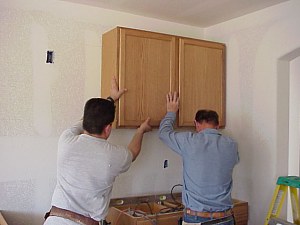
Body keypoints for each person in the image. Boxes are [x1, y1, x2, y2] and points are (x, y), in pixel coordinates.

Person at [44, 77, 152, 225]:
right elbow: (132, 152)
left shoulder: (66, 140)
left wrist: (111, 99)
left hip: (54, 220)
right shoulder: (113, 155)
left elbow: (84, 121)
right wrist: (141, 130)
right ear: (108, 128)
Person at [158, 92, 239, 225]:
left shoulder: (189, 141)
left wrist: (171, 112)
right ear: (217, 126)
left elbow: (163, 133)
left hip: (197, 218)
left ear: (196, 124)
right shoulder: (232, 145)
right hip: (226, 218)